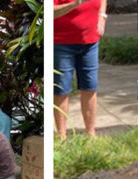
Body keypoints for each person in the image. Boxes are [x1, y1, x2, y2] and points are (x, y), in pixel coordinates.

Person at [54, 0, 107, 139]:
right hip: (61, 42)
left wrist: (102, 17)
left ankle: (91, 134)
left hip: (90, 42)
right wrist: (75, 4)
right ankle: (62, 137)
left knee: (90, 88)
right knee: (61, 90)